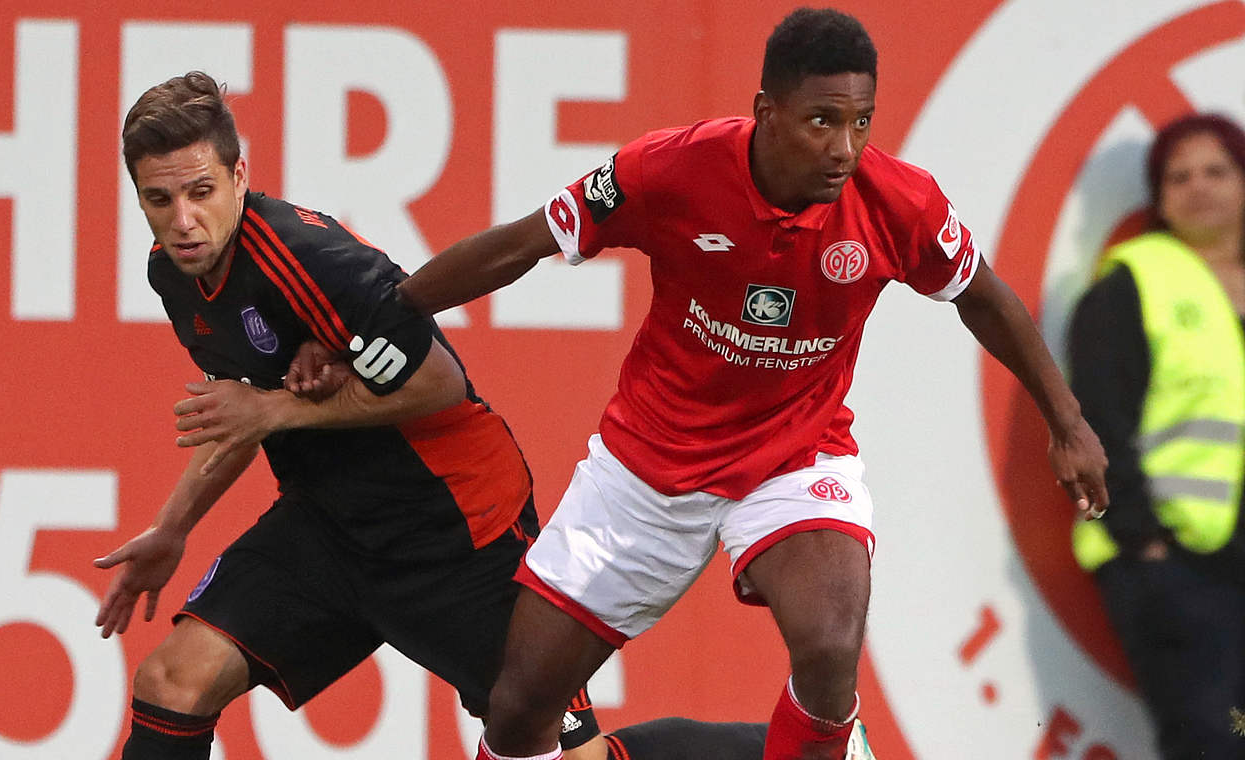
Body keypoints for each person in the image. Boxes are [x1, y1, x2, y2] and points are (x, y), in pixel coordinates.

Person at [376, 8, 1107, 760]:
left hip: (795, 456)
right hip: (648, 469)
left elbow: (984, 296)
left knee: (828, 646)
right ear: (767, 112)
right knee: (519, 708)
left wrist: (1068, 422)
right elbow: (524, 243)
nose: (844, 149)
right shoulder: (668, 171)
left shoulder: (899, 203)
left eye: (861, 123)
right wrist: (383, 314)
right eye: (822, 121)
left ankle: (828, 745)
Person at [95, 70, 770, 760]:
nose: (182, 220)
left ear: (240, 176)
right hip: (330, 526)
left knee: (571, 757)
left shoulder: (309, 258)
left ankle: (801, 751)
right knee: (171, 682)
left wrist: (274, 407)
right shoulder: (174, 272)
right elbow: (244, 417)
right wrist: (172, 528)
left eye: (201, 192)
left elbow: (439, 382)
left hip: (452, 527)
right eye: (160, 198)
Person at [1068, 112, 1245, 760]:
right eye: (1179, 176)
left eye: (1216, 170)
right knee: (1212, 740)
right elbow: (1097, 419)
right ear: (1160, 198)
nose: (1198, 186)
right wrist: (1144, 544)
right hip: (1180, 568)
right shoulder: (1133, 285)